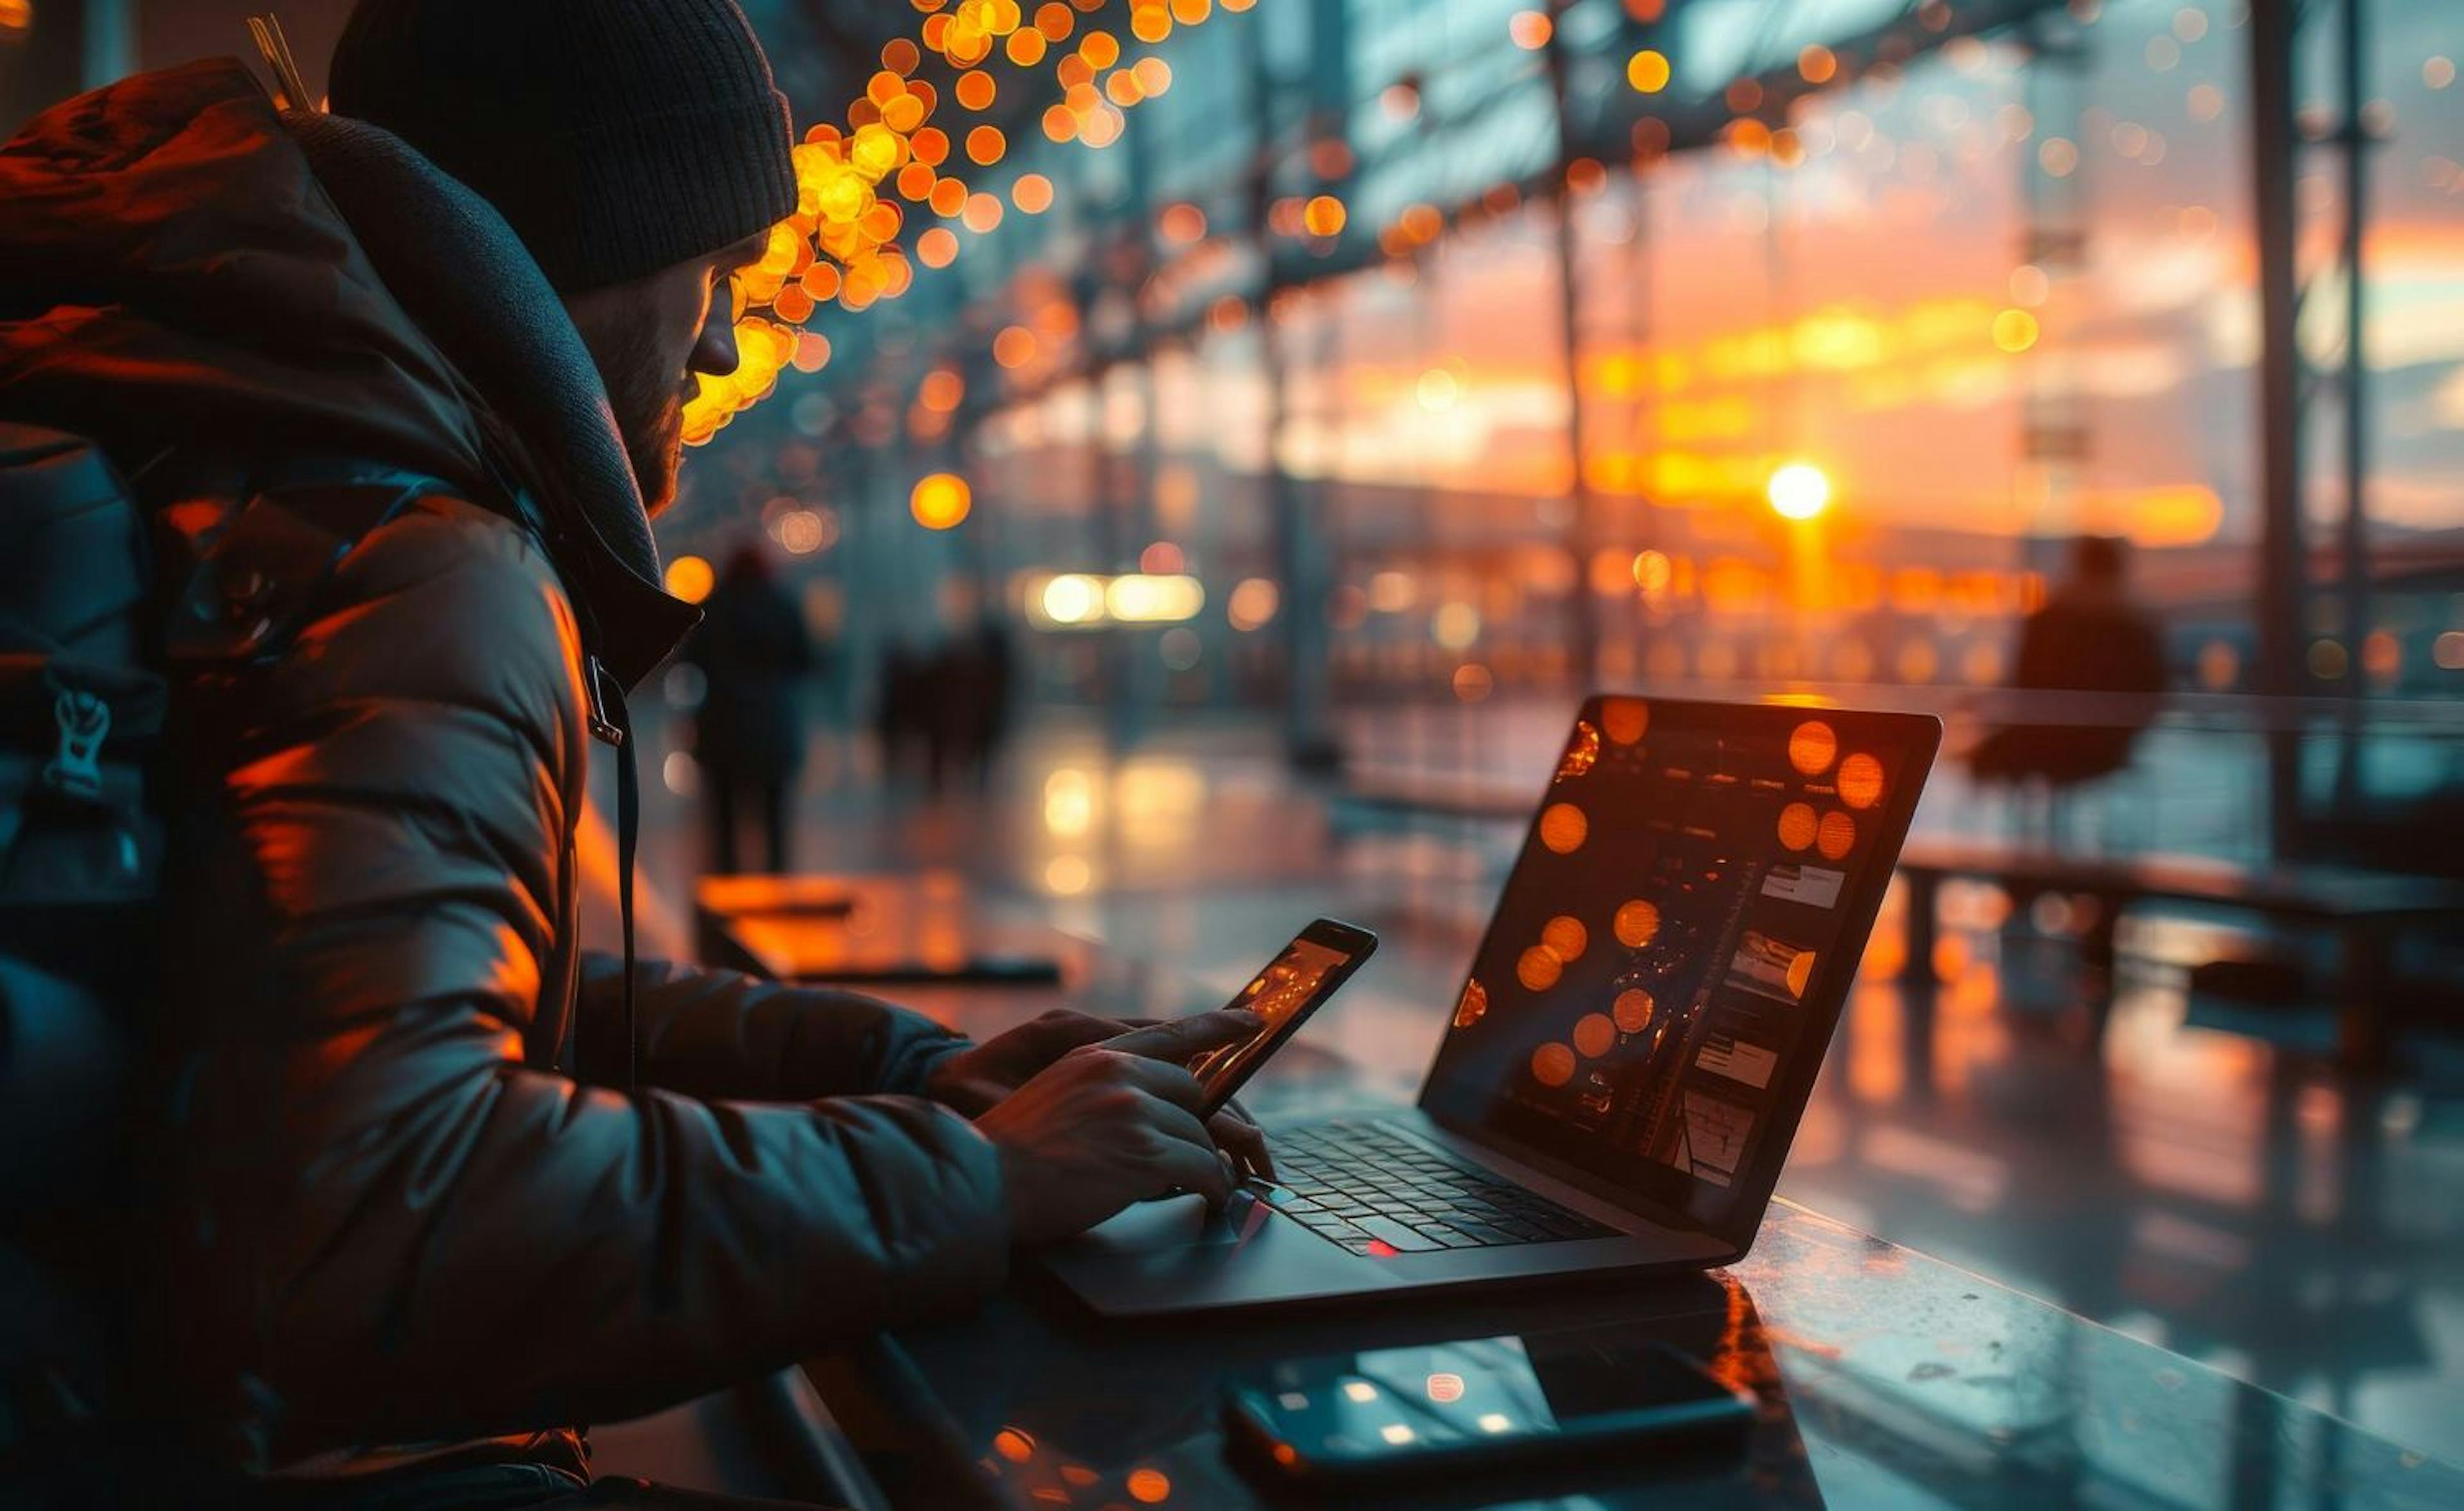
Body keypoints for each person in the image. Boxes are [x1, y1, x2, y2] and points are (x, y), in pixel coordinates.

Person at [0, 1, 1267, 1505]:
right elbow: (381, 1234)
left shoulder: (212, 426)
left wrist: (904, 1069)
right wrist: (979, 1182)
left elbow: (320, 986)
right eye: (715, 271)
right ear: (584, 245)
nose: (727, 340)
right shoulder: (413, 545)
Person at [1970, 534, 2170, 790]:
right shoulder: (2139, 628)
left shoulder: (2049, 622)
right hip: (2109, 747)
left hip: (2042, 742)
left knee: (1983, 757)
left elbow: (2025, 686)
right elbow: (2152, 692)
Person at [692, 543, 817, 875]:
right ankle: (776, 889)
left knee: (725, 827)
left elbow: (691, 658)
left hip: (724, 727)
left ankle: (727, 897)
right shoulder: (784, 607)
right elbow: (806, 660)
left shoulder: (714, 608)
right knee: (775, 824)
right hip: (773, 727)